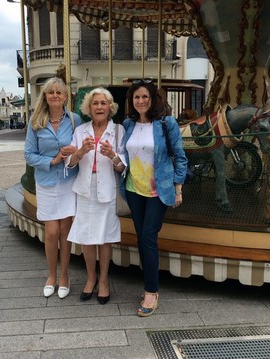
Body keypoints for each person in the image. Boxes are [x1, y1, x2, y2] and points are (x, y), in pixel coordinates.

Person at [121, 80, 187, 317]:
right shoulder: (128, 124)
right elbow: (123, 155)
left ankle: (151, 291)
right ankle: (149, 282)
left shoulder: (166, 123)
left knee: (148, 235)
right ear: (132, 101)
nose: (141, 101)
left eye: (145, 97)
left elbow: (180, 157)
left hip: (158, 190)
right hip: (133, 188)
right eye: (137, 97)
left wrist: (178, 188)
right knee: (142, 237)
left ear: (153, 99)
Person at [65, 88, 126, 305]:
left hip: (107, 189)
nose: (99, 107)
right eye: (95, 103)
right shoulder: (80, 131)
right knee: (87, 238)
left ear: (110, 107)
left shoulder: (118, 131)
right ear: (88, 108)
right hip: (84, 189)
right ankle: (91, 278)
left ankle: (104, 281)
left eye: (103, 103)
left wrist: (113, 155)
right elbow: (70, 164)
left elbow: (122, 168)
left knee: (105, 237)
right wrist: (80, 151)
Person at [24, 77, 81, 299]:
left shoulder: (75, 120)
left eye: (59, 92)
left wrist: (74, 152)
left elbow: (80, 149)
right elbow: (29, 155)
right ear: (45, 96)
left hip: (68, 181)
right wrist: (53, 160)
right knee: (51, 232)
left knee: (65, 233)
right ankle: (51, 275)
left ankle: (65, 276)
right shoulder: (36, 121)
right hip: (47, 180)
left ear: (66, 97)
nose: (55, 95)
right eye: (50, 92)